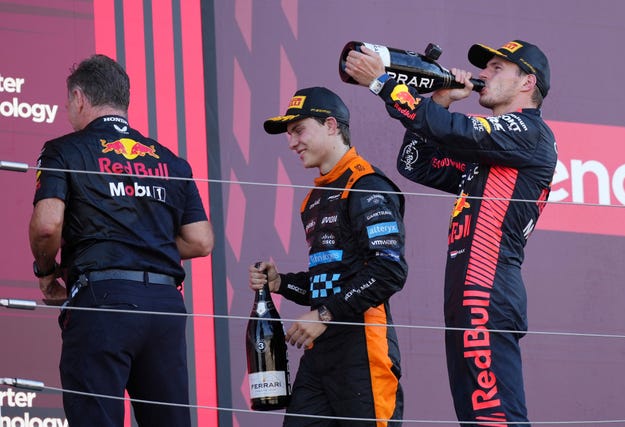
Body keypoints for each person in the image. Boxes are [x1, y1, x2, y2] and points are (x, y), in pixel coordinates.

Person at [344, 40, 557, 426]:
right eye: (486, 67)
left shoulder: (528, 132)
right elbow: (416, 163)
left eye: (496, 68)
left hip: (487, 288)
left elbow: (455, 130)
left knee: (496, 416)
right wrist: (440, 99)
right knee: (477, 417)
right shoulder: (492, 153)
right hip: (467, 293)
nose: (483, 75)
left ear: (527, 82)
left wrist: (382, 83)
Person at [28, 54, 213, 427]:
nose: (68, 113)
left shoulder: (64, 149)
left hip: (103, 301)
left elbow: (47, 226)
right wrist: (142, 244)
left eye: (68, 105)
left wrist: (46, 273)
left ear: (79, 98)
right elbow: (201, 240)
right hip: (165, 307)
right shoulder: (170, 160)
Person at [248, 86, 408, 426]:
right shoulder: (314, 198)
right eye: (289, 135)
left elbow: (388, 270)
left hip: (363, 352)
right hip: (320, 353)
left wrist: (322, 315)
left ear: (332, 126)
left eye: (298, 130)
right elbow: (330, 280)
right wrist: (282, 284)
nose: (291, 143)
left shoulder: (367, 185)